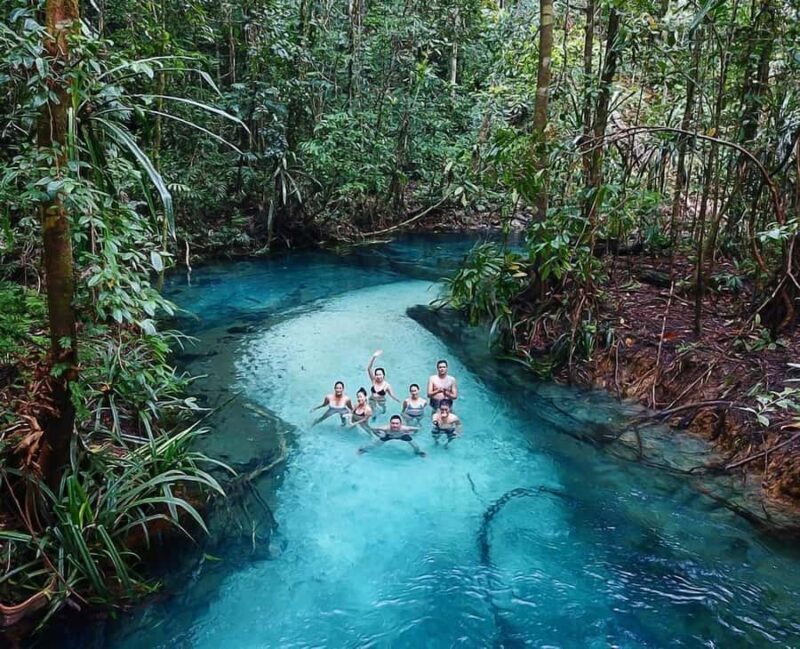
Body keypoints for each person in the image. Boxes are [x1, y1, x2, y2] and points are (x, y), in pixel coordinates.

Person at [358, 415, 426, 457]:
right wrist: (379, 435)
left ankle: (418, 452)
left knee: (415, 446)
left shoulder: (405, 428)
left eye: (397, 423)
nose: (395, 425)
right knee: (375, 444)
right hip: (389, 435)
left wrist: (412, 434)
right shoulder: (386, 428)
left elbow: (418, 429)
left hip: (402, 435)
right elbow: (373, 429)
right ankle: (364, 450)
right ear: (390, 423)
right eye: (393, 423)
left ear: (400, 424)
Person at [366, 350, 401, 417]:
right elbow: (369, 368)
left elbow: (391, 395)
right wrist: (374, 357)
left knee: (383, 408)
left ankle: (384, 410)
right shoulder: (373, 380)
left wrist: (397, 400)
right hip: (372, 399)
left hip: (381, 400)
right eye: (377, 375)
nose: (378, 376)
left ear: (383, 375)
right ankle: (374, 416)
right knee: (372, 409)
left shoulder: (387, 385)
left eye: (380, 375)